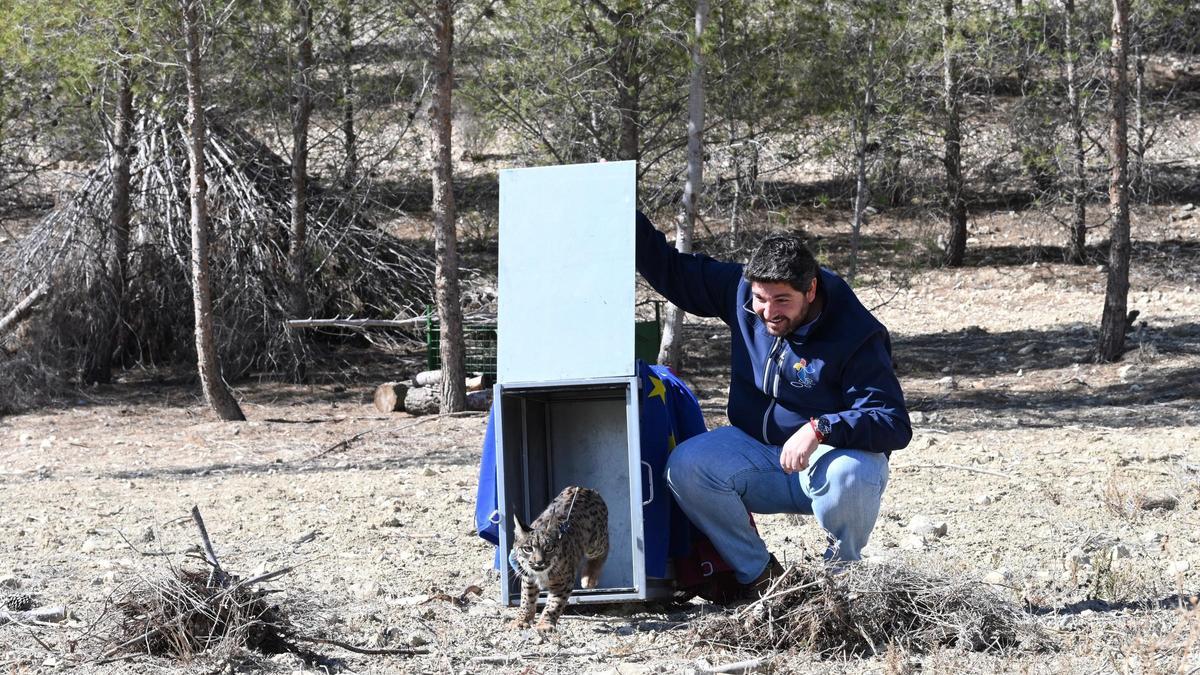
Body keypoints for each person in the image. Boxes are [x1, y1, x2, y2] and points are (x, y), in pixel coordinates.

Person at [636, 211, 911, 596]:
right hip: (760, 455)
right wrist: (623, 212)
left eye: (782, 300)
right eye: (761, 299)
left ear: (811, 291)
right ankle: (764, 580)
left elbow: (892, 422)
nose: (768, 312)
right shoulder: (739, 291)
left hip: (829, 463)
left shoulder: (855, 334)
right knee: (687, 467)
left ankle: (842, 584)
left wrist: (821, 428)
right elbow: (672, 271)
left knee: (854, 475)